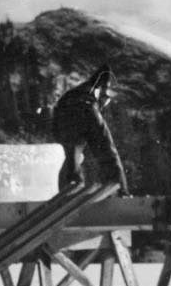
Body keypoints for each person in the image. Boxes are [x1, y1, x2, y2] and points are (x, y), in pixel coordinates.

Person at [51, 63, 129, 196]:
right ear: (104, 90)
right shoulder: (92, 96)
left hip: (61, 116)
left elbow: (57, 122)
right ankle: (121, 191)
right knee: (109, 154)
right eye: (109, 96)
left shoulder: (73, 92)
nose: (107, 102)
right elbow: (107, 149)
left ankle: (70, 188)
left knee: (72, 158)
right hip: (85, 109)